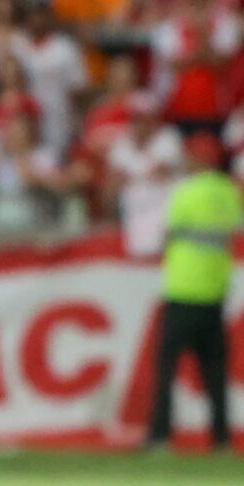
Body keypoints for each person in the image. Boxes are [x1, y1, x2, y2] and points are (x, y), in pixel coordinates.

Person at [148, 131, 242, 452]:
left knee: (166, 368)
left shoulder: (185, 191)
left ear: (199, 159)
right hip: (214, 294)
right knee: (215, 372)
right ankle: (221, 439)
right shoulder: (229, 192)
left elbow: (165, 234)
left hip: (183, 290)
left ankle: (159, 437)